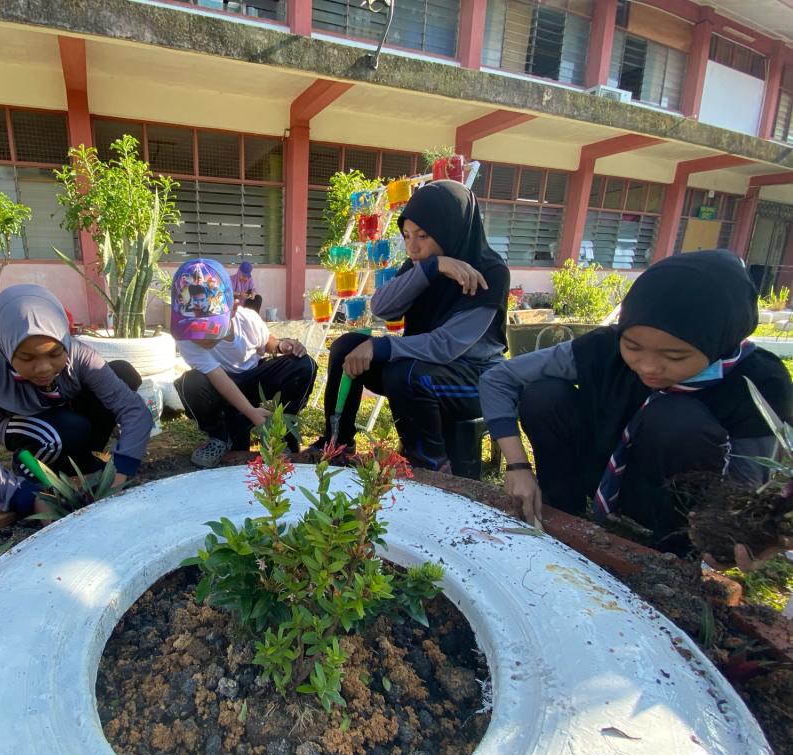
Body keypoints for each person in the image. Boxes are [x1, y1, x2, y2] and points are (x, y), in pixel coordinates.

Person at [480, 249, 793, 554]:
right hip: (597, 465)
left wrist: (729, 533)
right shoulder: (605, 347)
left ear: (721, 341)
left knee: (676, 418)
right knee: (543, 394)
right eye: (632, 347)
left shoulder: (758, 381)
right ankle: (562, 512)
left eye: (674, 356)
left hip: (673, 497)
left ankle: (673, 546)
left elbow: (748, 481)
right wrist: (518, 466)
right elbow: (498, 378)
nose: (648, 367)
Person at [310, 180, 510, 471]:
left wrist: (382, 346)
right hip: (426, 368)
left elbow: (446, 346)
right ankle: (338, 444)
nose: (413, 247)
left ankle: (431, 467)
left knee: (404, 373)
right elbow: (381, 307)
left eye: (423, 236)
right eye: (406, 236)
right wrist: (432, 268)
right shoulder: (422, 264)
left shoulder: (490, 271)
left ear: (450, 228)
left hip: (476, 379)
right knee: (346, 347)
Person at [0, 284, 151, 515]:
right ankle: (29, 467)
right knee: (64, 430)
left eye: (54, 354)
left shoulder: (79, 355)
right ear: (6, 347)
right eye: (27, 358)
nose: (43, 368)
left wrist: (121, 470)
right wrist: (22, 496)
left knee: (122, 372)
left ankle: (80, 461)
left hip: (63, 412)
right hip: (17, 420)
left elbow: (134, 411)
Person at [171, 258, 316, 468]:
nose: (201, 339)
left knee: (302, 365)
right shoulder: (185, 338)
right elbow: (218, 377)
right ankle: (220, 438)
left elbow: (266, 341)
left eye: (209, 328)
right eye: (195, 328)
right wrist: (251, 413)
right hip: (222, 389)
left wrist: (281, 345)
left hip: (254, 379)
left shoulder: (247, 318)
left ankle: (280, 430)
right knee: (190, 382)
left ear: (232, 309)